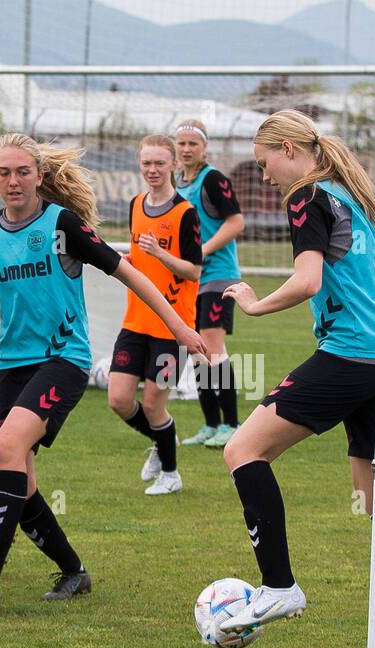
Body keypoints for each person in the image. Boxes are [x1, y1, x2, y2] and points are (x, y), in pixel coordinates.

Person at [0, 133, 206, 608]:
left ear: (40, 176)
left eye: (23, 171)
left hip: (64, 359)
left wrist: (181, 328)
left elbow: (129, 273)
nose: (14, 180)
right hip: (14, 365)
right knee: (19, 475)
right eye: (5, 172)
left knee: (7, 447)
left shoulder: (61, 224)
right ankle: (73, 571)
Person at [216, 109, 375, 633]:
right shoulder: (360, 197)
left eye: (266, 164)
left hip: (349, 357)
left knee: (243, 449)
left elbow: (307, 281)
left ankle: (279, 587)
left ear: (289, 150)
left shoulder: (308, 198)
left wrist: (254, 304)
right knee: (374, 495)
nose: (264, 177)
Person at [107, 134, 202, 496]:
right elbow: (138, 257)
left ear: (174, 166)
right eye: (147, 163)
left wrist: (160, 255)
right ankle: (165, 441)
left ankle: (172, 474)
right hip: (135, 320)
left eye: (160, 163)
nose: (153, 170)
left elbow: (194, 270)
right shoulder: (135, 204)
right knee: (118, 399)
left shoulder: (185, 213)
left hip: (171, 325)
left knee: (152, 403)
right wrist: (133, 261)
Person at [173, 120, 245, 449]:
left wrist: (202, 250)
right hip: (193, 279)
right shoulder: (178, 183)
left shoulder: (213, 179)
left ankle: (231, 424)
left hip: (219, 276)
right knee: (197, 350)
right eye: (181, 143)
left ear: (204, 147)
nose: (186, 149)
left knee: (212, 349)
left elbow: (236, 222)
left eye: (193, 143)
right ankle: (210, 424)